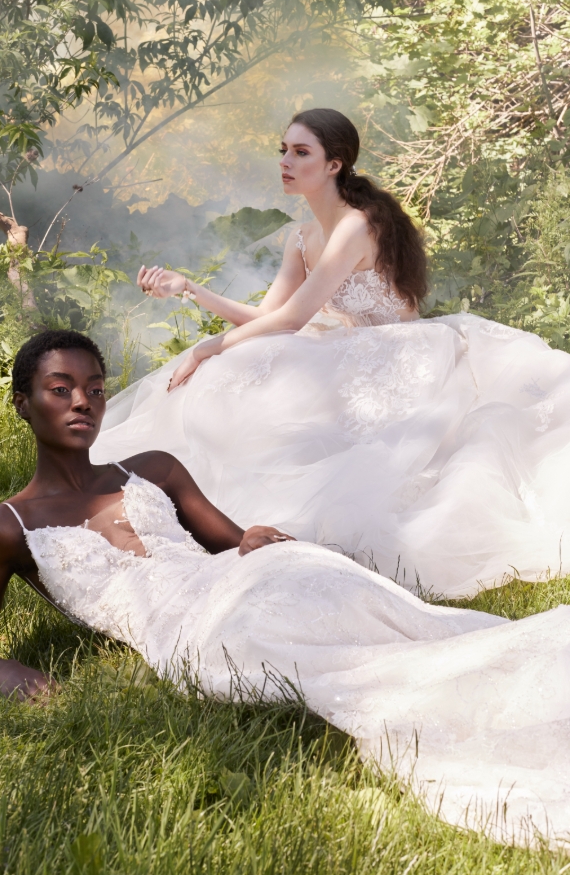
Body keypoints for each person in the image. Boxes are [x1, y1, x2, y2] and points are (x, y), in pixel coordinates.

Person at [0, 329, 570, 842]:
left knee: (373, 610)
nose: (82, 402)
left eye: (94, 389)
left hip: (249, 576)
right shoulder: (7, 526)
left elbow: (230, 540)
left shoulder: (154, 469)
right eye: (61, 390)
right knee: (309, 652)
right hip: (193, 628)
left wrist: (253, 539)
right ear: (23, 403)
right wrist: (7, 672)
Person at [91, 107, 570, 599]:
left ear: (335, 164)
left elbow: (293, 320)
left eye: (301, 152)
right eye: (284, 151)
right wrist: (189, 288)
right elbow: (268, 317)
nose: (286, 161)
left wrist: (208, 347)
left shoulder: (356, 226)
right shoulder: (300, 237)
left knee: (237, 362)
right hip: (350, 349)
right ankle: (190, 499)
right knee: (236, 365)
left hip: (405, 359)